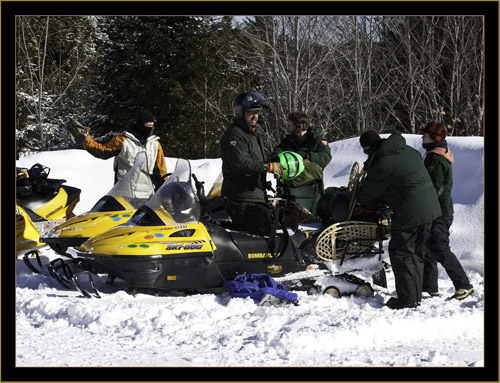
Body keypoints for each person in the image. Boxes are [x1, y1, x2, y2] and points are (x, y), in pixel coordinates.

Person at [355, 129, 442, 310]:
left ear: (368, 149)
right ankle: (415, 296)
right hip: (430, 207)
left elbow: (366, 194)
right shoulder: (406, 150)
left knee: (401, 254)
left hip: (410, 212)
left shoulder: (382, 163)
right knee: (416, 253)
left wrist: (359, 195)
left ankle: (407, 300)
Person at [419, 121, 474, 300]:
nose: (422, 137)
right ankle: (429, 287)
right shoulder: (434, 155)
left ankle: (463, 286)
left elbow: (436, 187)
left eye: (425, 135)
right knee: (428, 247)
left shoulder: (435, 158)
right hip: (436, 210)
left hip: (439, 211)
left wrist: (425, 203)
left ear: (434, 138)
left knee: (440, 248)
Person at [220, 91, 284, 235]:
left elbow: (256, 162)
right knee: (257, 235)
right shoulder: (235, 134)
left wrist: (265, 178)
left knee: (268, 228)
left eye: (257, 112)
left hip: (253, 195)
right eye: (250, 112)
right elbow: (241, 163)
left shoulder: (254, 134)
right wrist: (268, 167)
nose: (254, 116)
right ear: (240, 112)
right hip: (240, 198)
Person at [69, 109, 168, 193]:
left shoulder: (155, 144)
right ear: (140, 125)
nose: (150, 128)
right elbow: (102, 151)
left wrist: (164, 190)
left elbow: (161, 170)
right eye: (147, 125)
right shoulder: (123, 140)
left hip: (147, 193)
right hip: (124, 192)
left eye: (152, 125)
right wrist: (87, 139)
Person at [270, 112, 332, 215]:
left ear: (300, 126)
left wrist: (308, 156)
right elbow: (275, 155)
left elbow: (325, 157)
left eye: (289, 125)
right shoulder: (287, 142)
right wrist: (281, 159)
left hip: (312, 189)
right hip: (290, 191)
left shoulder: (316, 140)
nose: (287, 128)